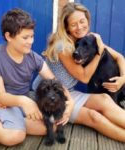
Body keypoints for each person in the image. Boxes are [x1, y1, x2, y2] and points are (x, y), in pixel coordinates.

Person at [0, 9, 74, 146]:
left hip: (20, 104)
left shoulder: (33, 58)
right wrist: (24, 102)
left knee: (52, 126)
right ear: (9, 36)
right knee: (15, 136)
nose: (31, 41)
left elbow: (54, 81)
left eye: (32, 36)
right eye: (25, 37)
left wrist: (70, 101)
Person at [32, 2, 125, 142]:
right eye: (73, 24)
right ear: (67, 27)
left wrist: (123, 78)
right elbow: (85, 77)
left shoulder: (87, 40)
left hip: (67, 91)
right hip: (48, 93)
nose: (80, 27)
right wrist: (99, 52)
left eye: (82, 21)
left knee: (105, 99)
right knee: (94, 116)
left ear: (88, 20)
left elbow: (119, 57)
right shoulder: (62, 45)